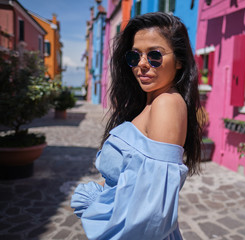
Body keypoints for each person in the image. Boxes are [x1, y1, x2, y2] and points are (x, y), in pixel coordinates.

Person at [71, 12, 203, 240]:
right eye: (134, 56)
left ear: (179, 61)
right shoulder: (151, 103)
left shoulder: (167, 104)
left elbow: (150, 215)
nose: (142, 64)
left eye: (155, 55)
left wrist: (94, 205)